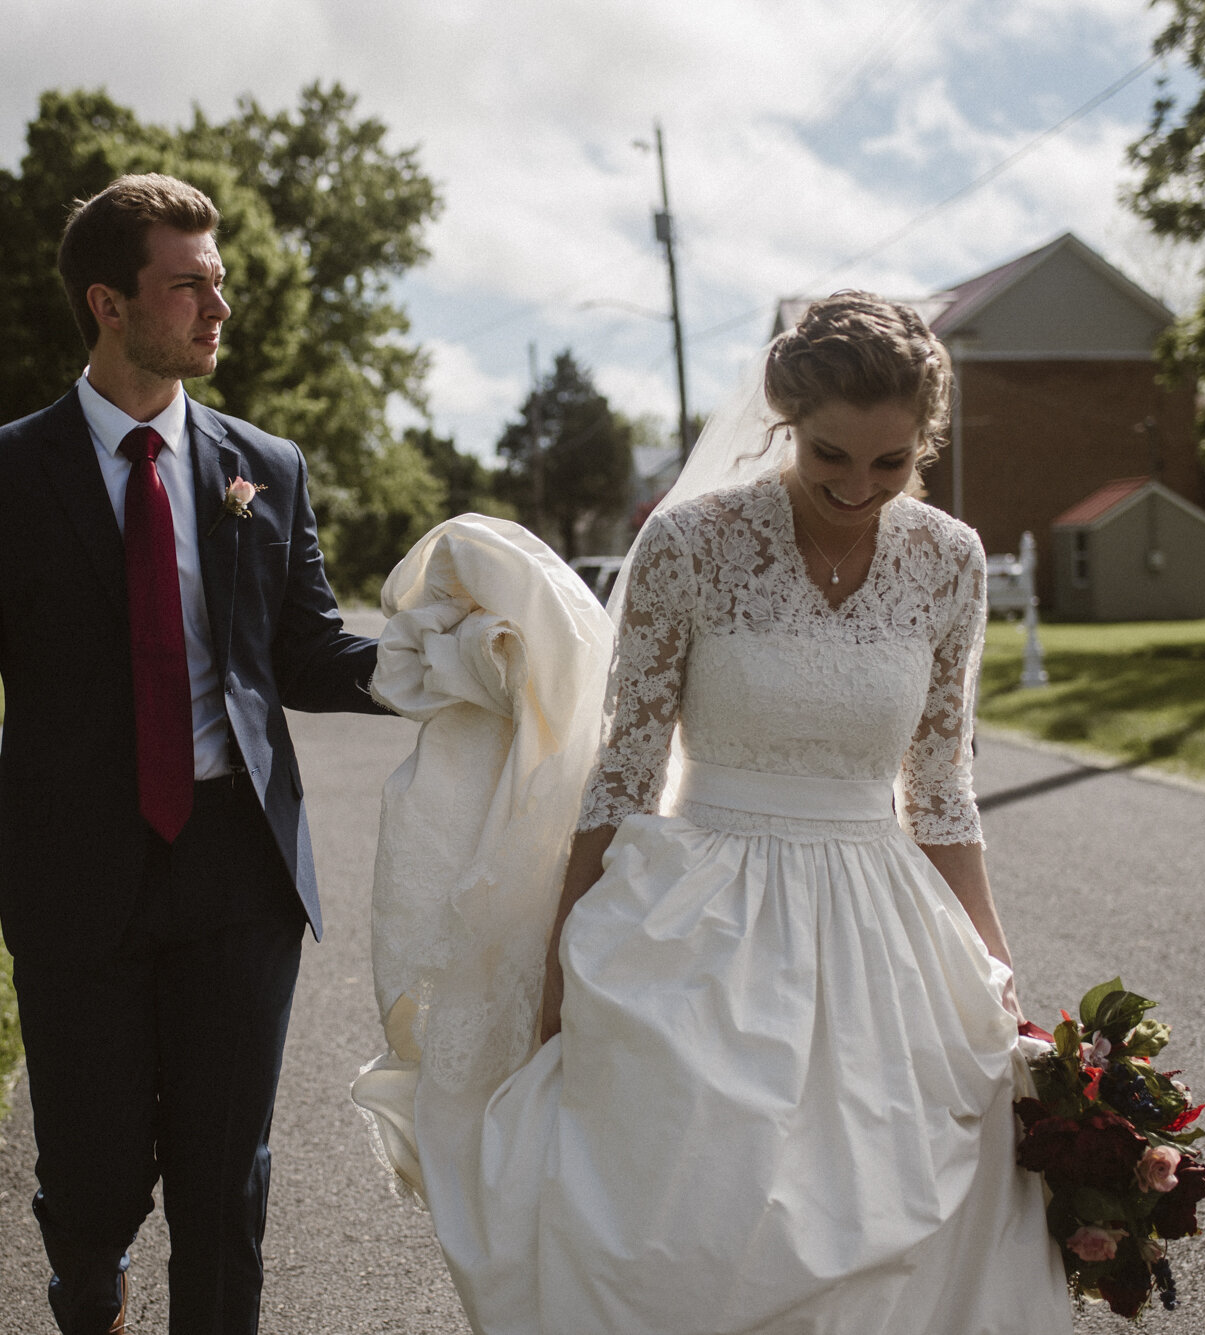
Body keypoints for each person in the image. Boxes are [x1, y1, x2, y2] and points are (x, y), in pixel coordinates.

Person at [356, 292, 1071, 1333]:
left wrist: (1001, 987)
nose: (857, 488)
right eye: (830, 454)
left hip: (883, 927)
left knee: (913, 1205)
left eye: (890, 464)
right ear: (784, 417)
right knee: (694, 1217)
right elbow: (623, 774)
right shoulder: (690, 543)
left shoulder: (949, 561)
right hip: (704, 912)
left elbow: (941, 791)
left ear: (924, 444)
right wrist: (560, 971)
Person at [0, 173, 384, 1335]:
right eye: (188, 283)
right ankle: (86, 1277)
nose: (218, 307)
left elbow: (304, 653)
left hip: (240, 868)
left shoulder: (267, 467)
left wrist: (440, 669)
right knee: (96, 1173)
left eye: (220, 280)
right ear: (108, 302)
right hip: (73, 874)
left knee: (224, 1174)